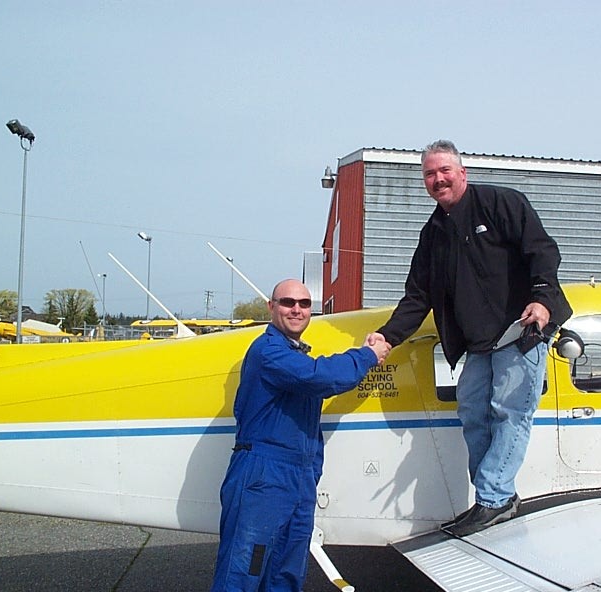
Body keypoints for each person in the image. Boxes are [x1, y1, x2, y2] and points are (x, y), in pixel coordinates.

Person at [369, 140, 571, 536]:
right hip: (479, 342)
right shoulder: (433, 234)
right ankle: (496, 499)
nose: (438, 179)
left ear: (463, 173)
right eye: (430, 173)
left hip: (521, 331)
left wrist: (542, 299)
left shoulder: (501, 203)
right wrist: (387, 337)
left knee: (510, 412)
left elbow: (543, 251)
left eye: (445, 171)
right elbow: (418, 295)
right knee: (472, 413)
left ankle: (493, 498)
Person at [210, 279, 389, 592]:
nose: (296, 309)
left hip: (296, 479)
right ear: (272, 307)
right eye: (287, 302)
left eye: (304, 304)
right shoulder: (269, 351)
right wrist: (368, 355)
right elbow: (321, 376)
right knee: (244, 574)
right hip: (264, 478)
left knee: (286, 573)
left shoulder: (294, 355)